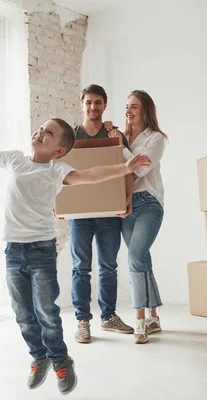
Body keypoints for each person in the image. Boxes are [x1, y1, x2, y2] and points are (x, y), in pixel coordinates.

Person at [0, 103, 151, 393]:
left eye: (49, 133)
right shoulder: (14, 159)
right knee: (22, 312)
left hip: (41, 251)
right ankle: (38, 357)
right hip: (13, 251)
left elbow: (91, 175)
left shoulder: (57, 170)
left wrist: (125, 167)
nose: (41, 133)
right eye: (41, 128)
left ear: (59, 150)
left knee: (46, 311)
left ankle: (60, 360)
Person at [68, 84, 135, 344]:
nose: (93, 107)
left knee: (108, 266)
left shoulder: (114, 134)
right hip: (79, 214)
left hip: (109, 212)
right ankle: (83, 322)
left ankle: (108, 317)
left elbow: (126, 168)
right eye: (88, 102)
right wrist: (58, 203)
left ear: (104, 105)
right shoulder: (71, 135)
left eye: (98, 102)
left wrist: (126, 198)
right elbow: (58, 170)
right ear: (82, 104)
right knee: (80, 268)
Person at [109, 90, 167, 344]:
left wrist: (120, 147)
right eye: (126, 106)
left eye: (134, 106)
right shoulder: (124, 139)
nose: (128, 111)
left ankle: (140, 320)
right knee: (142, 258)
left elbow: (140, 169)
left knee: (134, 256)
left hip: (149, 204)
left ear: (146, 110)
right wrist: (116, 142)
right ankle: (154, 317)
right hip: (126, 204)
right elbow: (119, 170)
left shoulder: (155, 139)